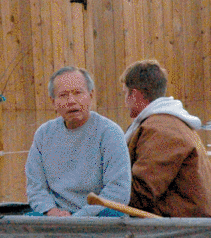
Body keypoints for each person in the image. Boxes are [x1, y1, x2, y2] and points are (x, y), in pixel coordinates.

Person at [25, 66, 131, 216]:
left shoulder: (110, 133)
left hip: (97, 216)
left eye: (78, 93)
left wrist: (78, 218)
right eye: (63, 95)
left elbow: (118, 191)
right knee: (29, 219)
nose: (71, 101)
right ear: (53, 101)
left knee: (113, 215)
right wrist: (51, 211)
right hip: (56, 217)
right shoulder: (44, 134)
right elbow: (35, 187)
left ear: (91, 95)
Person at [121, 60, 211, 217]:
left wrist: (100, 188)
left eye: (125, 93)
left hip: (183, 219)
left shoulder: (159, 131)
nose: (125, 101)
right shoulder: (169, 122)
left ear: (135, 94)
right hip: (186, 214)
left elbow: (142, 193)